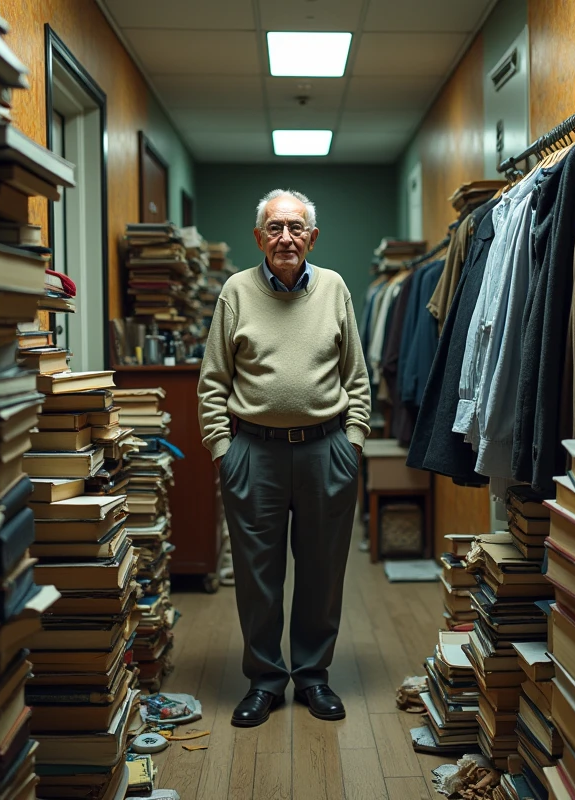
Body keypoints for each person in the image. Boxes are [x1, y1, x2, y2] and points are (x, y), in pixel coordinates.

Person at [197, 188, 371, 727]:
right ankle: (266, 681)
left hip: (326, 451)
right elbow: (211, 383)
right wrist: (223, 450)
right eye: (274, 228)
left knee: (322, 573)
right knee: (257, 576)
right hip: (253, 453)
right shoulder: (235, 291)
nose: (286, 238)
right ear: (259, 237)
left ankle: (314, 678)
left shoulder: (335, 288)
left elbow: (357, 378)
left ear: (312, 237)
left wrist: (354, 442)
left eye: (296, 228)